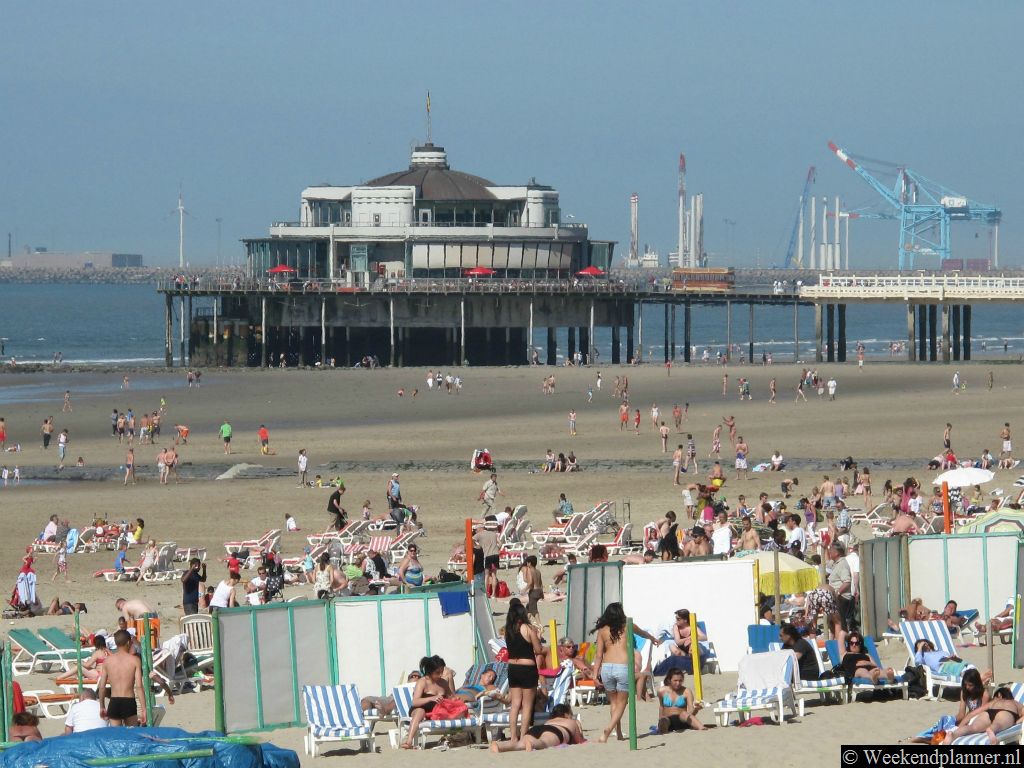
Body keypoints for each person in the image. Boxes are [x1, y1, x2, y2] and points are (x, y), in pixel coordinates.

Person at [593, 602, 659, 743]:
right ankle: (608, 730)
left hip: (606, 667)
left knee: (613, 703)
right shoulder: (628, 626)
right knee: (623, 702)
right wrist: (652, 639)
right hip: (622, 667)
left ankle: (619, 733)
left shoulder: (602, 630)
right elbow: (643, 633)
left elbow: (598, 655)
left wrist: (594, 674)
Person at [504, 599, 543, 742]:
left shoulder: (508, 630)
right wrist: (538, 637)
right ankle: (523, 736)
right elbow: (538, 650)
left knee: (515, 704)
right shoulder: (528, 628)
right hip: (527, 668)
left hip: (512, 668)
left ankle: (513, 736)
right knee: (527, 705)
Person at [942, 687, 1024, 745]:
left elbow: (971, 714)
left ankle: (953, 735)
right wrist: (1017, 721)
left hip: (988, 712)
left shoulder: (993, 702)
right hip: (1006, 712)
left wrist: (959, 727)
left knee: (972, 727)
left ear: (999, 695)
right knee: (998, 724)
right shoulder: (1015, 703)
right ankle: (992, 729)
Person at [98, 629, 147, 726]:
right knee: (131, 736)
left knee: (116, 737)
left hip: (114, 702)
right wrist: (144, 709)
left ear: (116, 643)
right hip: (129, 702)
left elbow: (102, 687)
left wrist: (102, 706)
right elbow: (139, 687)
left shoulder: (107, 661)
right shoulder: (135, 660)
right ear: (129, 642)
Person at [490, 703, 583, 752]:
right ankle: (532, 744)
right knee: (543, 742)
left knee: (520, 744)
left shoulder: (549, 721)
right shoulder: (571, 722)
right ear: (566, 714)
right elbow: (579, 741)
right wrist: (579, 727)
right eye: (571, 714)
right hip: (556, 731)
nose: (571, 717)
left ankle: (500, 746)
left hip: (538, 728)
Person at [657, 668, 706, 733]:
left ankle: (702, 728)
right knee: (663, 720)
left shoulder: (686, 691)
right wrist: (660, 720)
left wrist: (696, 709)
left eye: (680, 681)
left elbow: (691, 712)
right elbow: (661, 707)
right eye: (675, 680)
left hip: (683, 721)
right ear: (669, 680)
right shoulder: (662, 691)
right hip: (668, 721)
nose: (678, 683)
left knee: (684, 714)